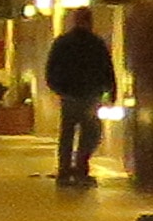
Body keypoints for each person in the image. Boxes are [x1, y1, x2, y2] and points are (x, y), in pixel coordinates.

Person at [41, 17, 118, 184]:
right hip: (90, 95)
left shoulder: (63, 42)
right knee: (90, 133)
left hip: (70, 95)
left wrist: (59, 89)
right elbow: (107, 68)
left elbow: (51, 68)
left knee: (67, 133)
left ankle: (65, 170)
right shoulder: (96, 43)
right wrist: (111, 91)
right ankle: (80, 167)